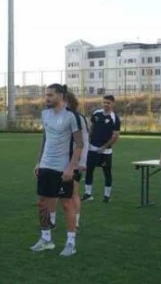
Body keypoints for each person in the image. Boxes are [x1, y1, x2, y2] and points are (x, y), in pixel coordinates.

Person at [30, 84, 85, 256]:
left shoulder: (72, 116)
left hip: (63, 168)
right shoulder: (45, 114)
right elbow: (45, 139)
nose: (47, 98)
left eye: (51, 95)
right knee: (43, 203)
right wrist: (39, 162)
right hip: (46, 165)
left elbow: (79, 144)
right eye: (46, 95)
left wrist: (71, 167)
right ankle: (46, 239)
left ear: (61, 96)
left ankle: (70, 243)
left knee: (66, 204)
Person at [83, 95, 121, 203]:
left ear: (113, 104)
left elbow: (115, 137)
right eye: (104, 102)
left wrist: (104, 147)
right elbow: (91, 127)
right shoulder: (96, 114)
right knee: (89, 171)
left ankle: (107, 196)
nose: (105, 104)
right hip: (92, 148)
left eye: (108, 103)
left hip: (105, 151)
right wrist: (88, 140)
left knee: (107, 172)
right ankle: (88, 194)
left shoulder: (115, 118)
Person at [63, 90, 88, 231]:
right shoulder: (57, 117)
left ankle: (76, 223)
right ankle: (51, 221)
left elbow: (84, 141)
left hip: (74, 161)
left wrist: (82, 162)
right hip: (58, 161)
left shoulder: (79, 118)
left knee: (73, 192)